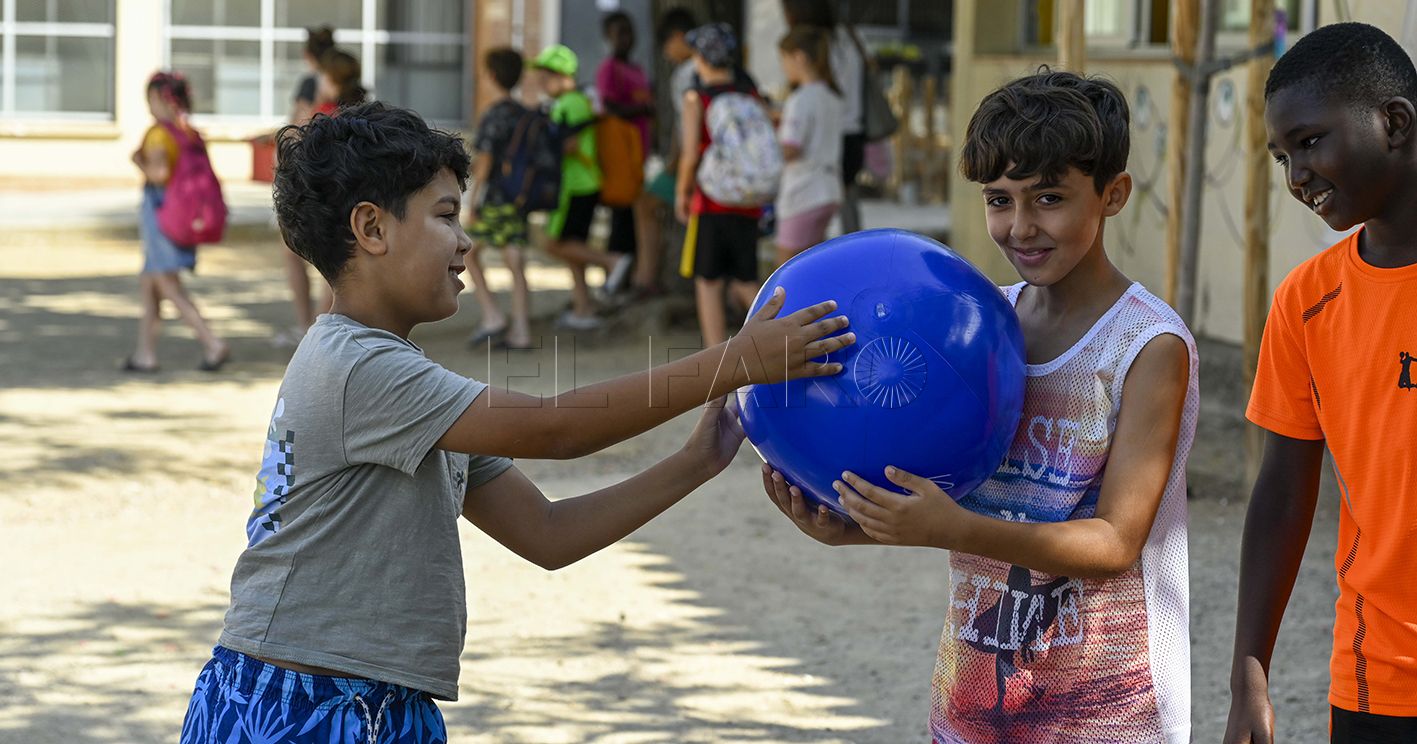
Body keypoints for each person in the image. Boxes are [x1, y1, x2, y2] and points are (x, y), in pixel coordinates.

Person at [177, 101, 855, 744]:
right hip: (297, 702)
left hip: (380, 702)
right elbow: (555, 429)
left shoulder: (408, 385)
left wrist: (693, 464)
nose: (465, 241)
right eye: (445, 216)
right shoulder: (356, 366)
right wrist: (733, 361)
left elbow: (547, 534)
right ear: (372, 228)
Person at [766, 70, 1198, 742]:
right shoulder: (973, 323)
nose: (1020, 226)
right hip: (974, 701)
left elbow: (1115, 541)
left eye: (1048, 198)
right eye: (1000, 200)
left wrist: (950, 530)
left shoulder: (1145, 344)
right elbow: (967, 500)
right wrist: (855, 526)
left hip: (1107, 709)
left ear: (1113, 194)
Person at [1224, 23, 1417, 744]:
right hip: (1381, 679)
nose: (1294, 175)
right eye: (1281, 156)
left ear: (1392, 123)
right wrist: (1249, 670)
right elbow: (1281, 488)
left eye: (1309, 143)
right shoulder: (1307, 301)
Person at [124, 71, 229, 374]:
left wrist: (137, 160)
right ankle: (145, 353)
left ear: (160, 99)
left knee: (167, 284)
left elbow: (157, 174)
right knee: (150, 284)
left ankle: (211, 342)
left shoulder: (159, 134)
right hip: (183, 214)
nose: (148, 107)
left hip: (161, 212)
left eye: (151, 100)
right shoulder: (190, 133)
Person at [675, 23, 765, 348]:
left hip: (711, 202)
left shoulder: (695, 98)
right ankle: (781, 337)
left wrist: (681, 193)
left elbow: (689, 155)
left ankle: (716, 357)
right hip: (749, 201)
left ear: (700, 58)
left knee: (708, 282)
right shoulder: (750, 94)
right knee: (746, 280)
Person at [532, 44, 631, 330]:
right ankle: (583, 308)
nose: (542, 83)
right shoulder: (577, 101)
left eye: (546, 76)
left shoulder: (569, 103)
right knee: (574, 248)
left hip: (575, 187)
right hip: (582, 185)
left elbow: (571, 144)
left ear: (563, 75)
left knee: (553, 243)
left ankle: (612, 261)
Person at [464, 47, 534, 351]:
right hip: (520, 197)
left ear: (492, 75)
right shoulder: (526, 114)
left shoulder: (493, 115)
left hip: (494, 197)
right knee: (516, 261)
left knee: (468, 253)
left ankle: (492, 316)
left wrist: (474, 199)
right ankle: (522, 330)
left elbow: (486, 161)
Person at [781, 0, 865, 233]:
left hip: (827, 146)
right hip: (851, 135)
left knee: (798, 251)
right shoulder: (848, 40)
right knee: (844, 219)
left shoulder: (819, 46)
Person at [277, 26, 337, 347]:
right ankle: (321, 324)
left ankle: (309, 326)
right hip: (340, 177)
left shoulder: (312, 85)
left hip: (311, 179)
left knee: (294, 250)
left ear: (307, 55)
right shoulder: (348, 79)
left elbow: (295, 130)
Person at [596, 11, 663, 297]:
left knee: (636, 218)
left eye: (628, 31)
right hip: (620, 156)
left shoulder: (637, 69)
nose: (625, 38)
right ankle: (615, 278)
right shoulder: (609, 69)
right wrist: (644, 110)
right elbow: (610, 107)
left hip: (641, 155)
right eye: (618, 32)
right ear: (608, 36)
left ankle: (635, 275)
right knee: (621, 217)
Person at [774, 25, 844, 265]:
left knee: (784, 276)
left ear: (799, 57)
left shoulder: (800, 99)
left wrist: (764, 153)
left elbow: (792, 148)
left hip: (802, 193)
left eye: (784, 60)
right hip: (829, 191)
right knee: (813, 269)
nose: (784, 68)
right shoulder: (832, 97)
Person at [314, 48, 367, 117]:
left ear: (330, 78)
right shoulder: (364, 111)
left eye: (322, 73)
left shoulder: (325, 113)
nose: (319, 79)